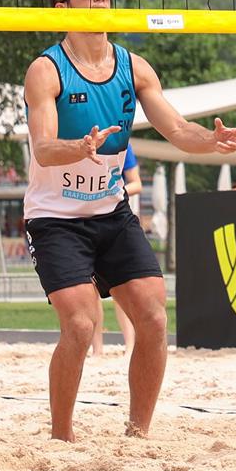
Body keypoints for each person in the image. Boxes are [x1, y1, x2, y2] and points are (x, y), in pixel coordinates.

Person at [23, 0, 236, 442]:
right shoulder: (47, 70)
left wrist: (212, 141)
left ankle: (137, 433)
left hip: (111, 213)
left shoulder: (134, 67)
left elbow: (179, 130)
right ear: (62, 8)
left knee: (153, 315)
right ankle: (61, 437)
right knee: (81, 324)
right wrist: (79, 147)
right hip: (56, 219)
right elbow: (42, 149)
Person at [89, 143, 142, 357]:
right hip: (83, 219)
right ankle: (97, 349)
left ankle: (130, 346)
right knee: (90, 288)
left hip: (114, 218)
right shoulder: (81, 141)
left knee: (121, 286)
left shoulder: (122, 143)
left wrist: (111, 193)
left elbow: (136, 183)